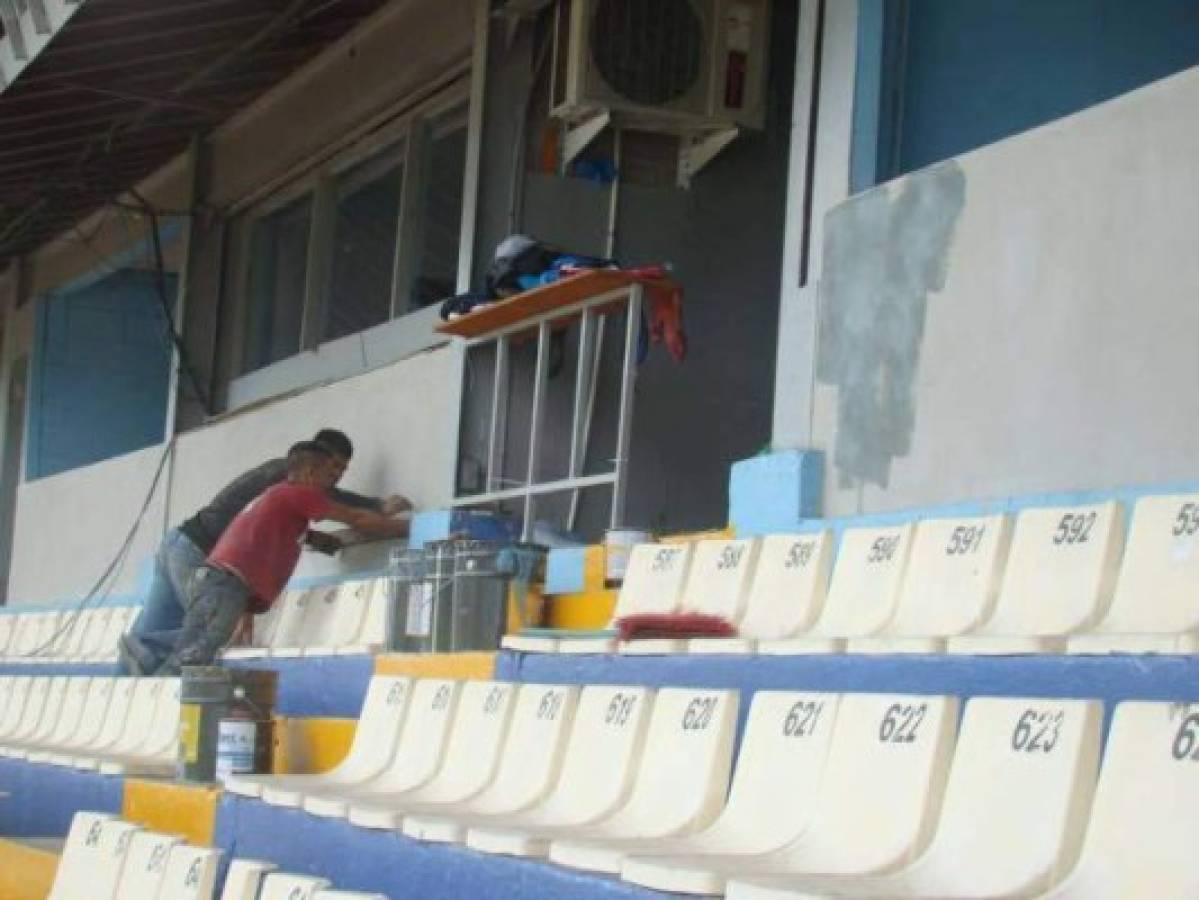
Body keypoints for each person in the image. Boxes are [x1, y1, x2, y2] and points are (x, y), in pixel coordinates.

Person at [119, 428, 409, 675]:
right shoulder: (291, 481)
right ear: (312, 467)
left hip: (190, 550)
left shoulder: (285, 489)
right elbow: (345, 510)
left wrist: (246, 612)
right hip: (199, 553)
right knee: (201, 639)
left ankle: (140, 664)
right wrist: (391, 515)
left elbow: (267, 538)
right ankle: (147, 649)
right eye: (331, 470)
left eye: (342, 472)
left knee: (181, 635)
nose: (334, 479)